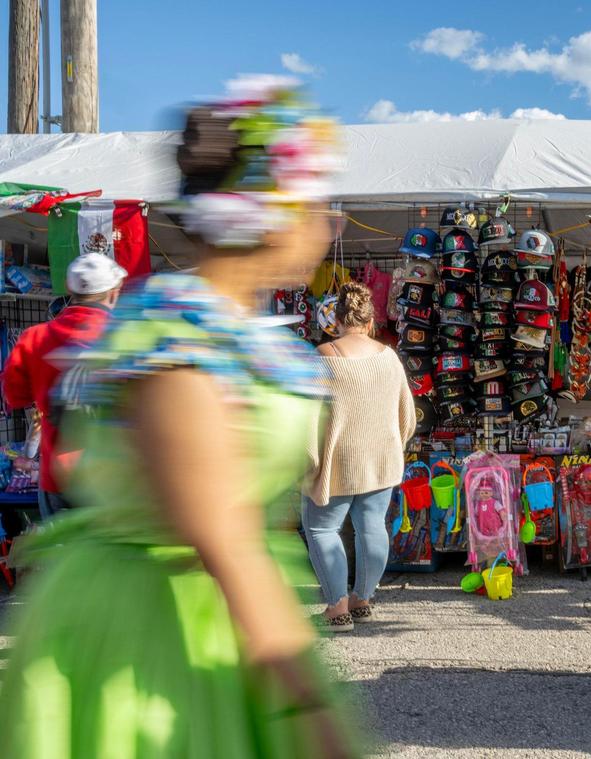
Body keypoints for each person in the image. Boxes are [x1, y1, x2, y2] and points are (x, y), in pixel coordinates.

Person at [0, 77, 356, 758]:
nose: (327, 224)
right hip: (144, 632)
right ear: (268, 213)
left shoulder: (238, 334)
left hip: (211, 618)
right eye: (315, 204)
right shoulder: (177, 335)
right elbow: (219, 538)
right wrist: (312, 713)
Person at [303, 281, 415, 632]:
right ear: (370, 322)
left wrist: (307, 463)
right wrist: (393, 444)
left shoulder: (323, 358)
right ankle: (362, 600)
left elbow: (306, 420)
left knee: (322, 529)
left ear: (335, 321)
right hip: (380, 458)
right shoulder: (390, 358)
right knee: (372, 529)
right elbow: (407, 417)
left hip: (337, 461)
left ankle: (337, 610)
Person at [2, 253, 126, 518]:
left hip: (56, 476)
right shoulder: (127, 337)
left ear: (70, 290)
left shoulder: (33, 338)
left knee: (62, 557)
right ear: (114, 292)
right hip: (114, 480)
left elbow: (15, 396)